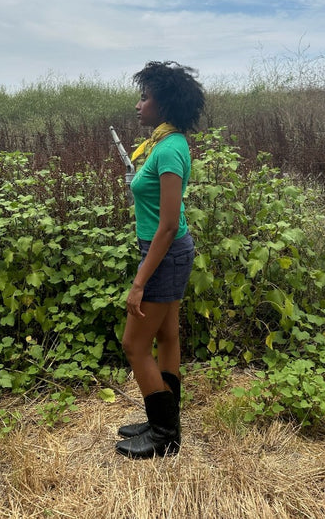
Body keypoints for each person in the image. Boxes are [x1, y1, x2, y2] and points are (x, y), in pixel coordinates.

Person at [115, 61, 205, 459]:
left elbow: (167, 225)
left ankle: (166, 434)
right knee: (167, 335)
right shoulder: (166, 143)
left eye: (145, 97)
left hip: (163, 252)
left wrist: (139, 282)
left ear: (163, 104)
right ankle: (163, 421)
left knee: (133, 344)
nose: (138, 104)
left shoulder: (168, 149)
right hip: (170, 251)